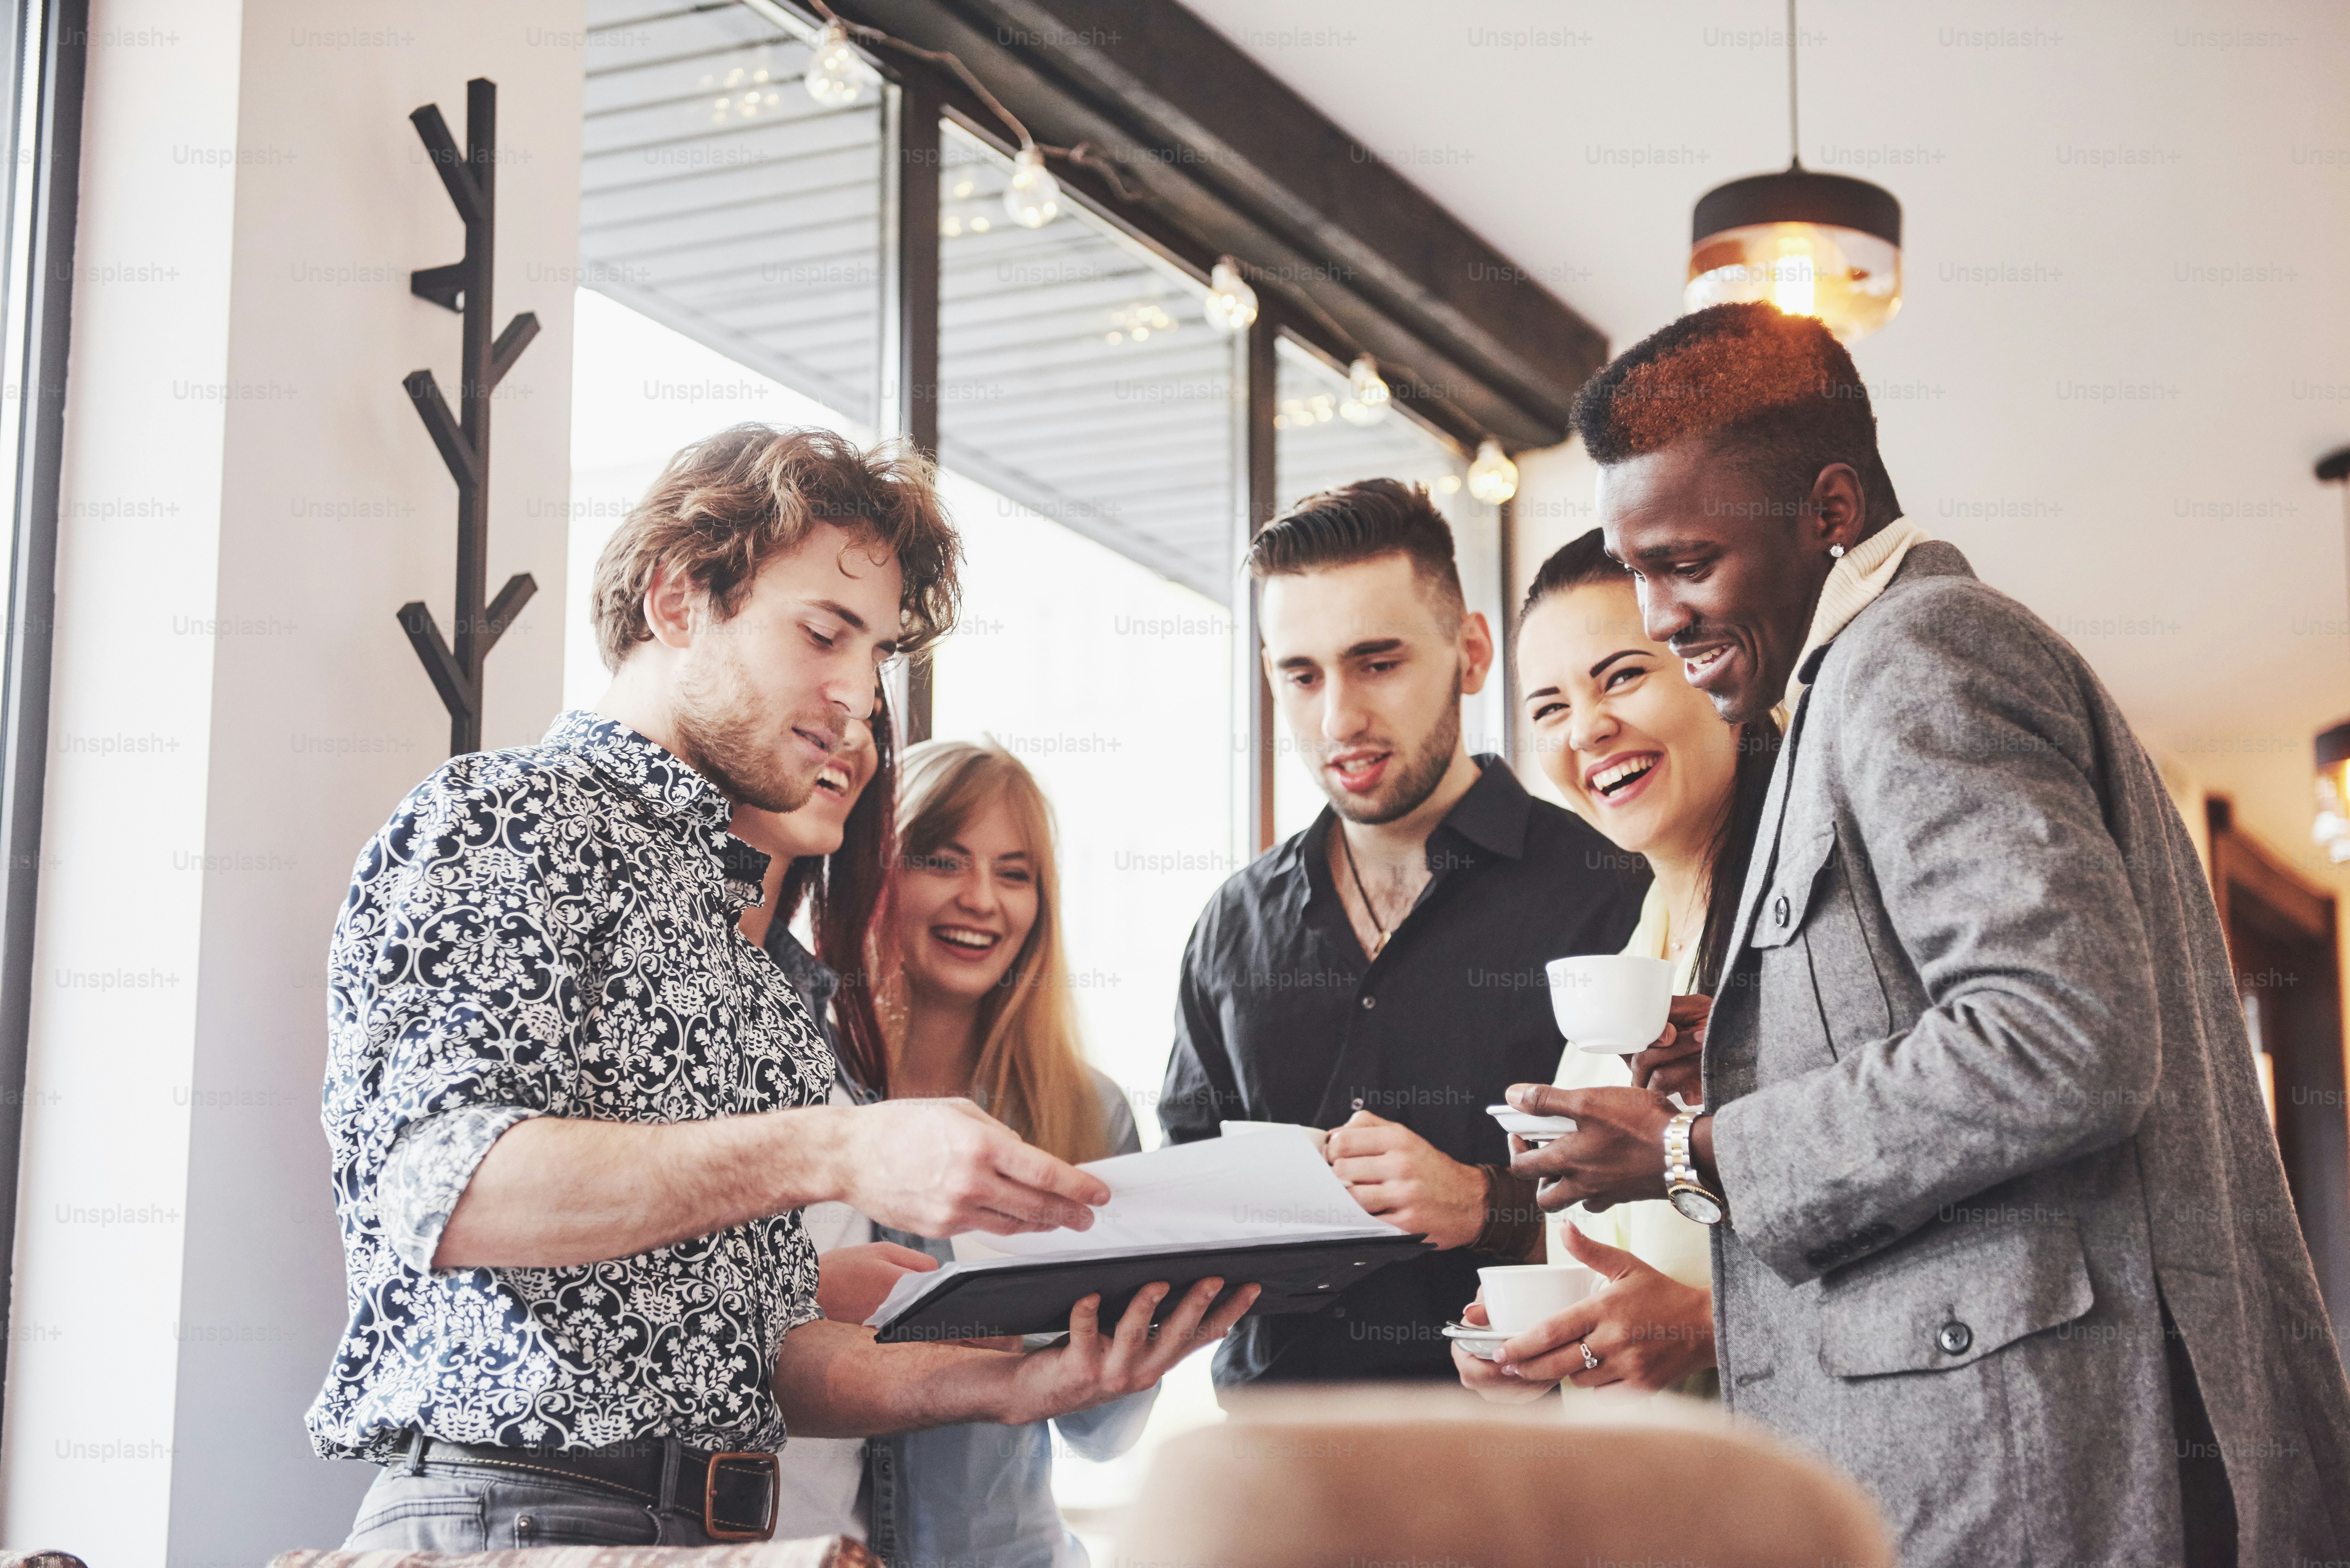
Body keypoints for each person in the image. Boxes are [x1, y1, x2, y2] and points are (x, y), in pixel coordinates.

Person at [1507, 303, 2350, 1566]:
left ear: (1830, 509)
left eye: (1684, 563)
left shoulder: (1917, 655)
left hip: (2068, 1476)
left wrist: (1703, 1149)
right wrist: (1750, 1055)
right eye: (1638, 572)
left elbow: (2062, 1039)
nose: (1660, 617)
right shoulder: (1845, 690)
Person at [313, 424, 1256, 1549]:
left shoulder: (766, 974)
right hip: (516, 1517)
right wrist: (838, 1150)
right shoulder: (508, 819)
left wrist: (1007, 1388)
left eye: (877, 656)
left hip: (732, 1532)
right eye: (824, 633)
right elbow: (440, 1189)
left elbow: (763, 1365)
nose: (858, 696)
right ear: (675, 600)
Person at [1159, 479, 1646, 1389]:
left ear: (1469, 652)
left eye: (1375, 663)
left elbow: (1671, 1199)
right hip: (1277, 1481)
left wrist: (1483, 1203)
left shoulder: (1610, 892)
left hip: (1533, 1481)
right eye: (1299, 676)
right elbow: (1181, 1206)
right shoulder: (1231, 925)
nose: (1337, 718)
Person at [1452, 528, 1778, 1400]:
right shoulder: (1635, 948)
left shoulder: (1814, 927)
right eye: (1550, 708)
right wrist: (1536, 1353)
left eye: (1622, 675)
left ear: (1717, 667)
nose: (1588, 729)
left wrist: (1707, 1331)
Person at [865, 738, 1160, 1568]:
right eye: (941, 860)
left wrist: (1133, 1347)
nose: (982, 900)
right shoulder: (800, 1096)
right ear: (878, 873)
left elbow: (1104, 1437)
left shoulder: (1087, 1114)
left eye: (1015, 872)